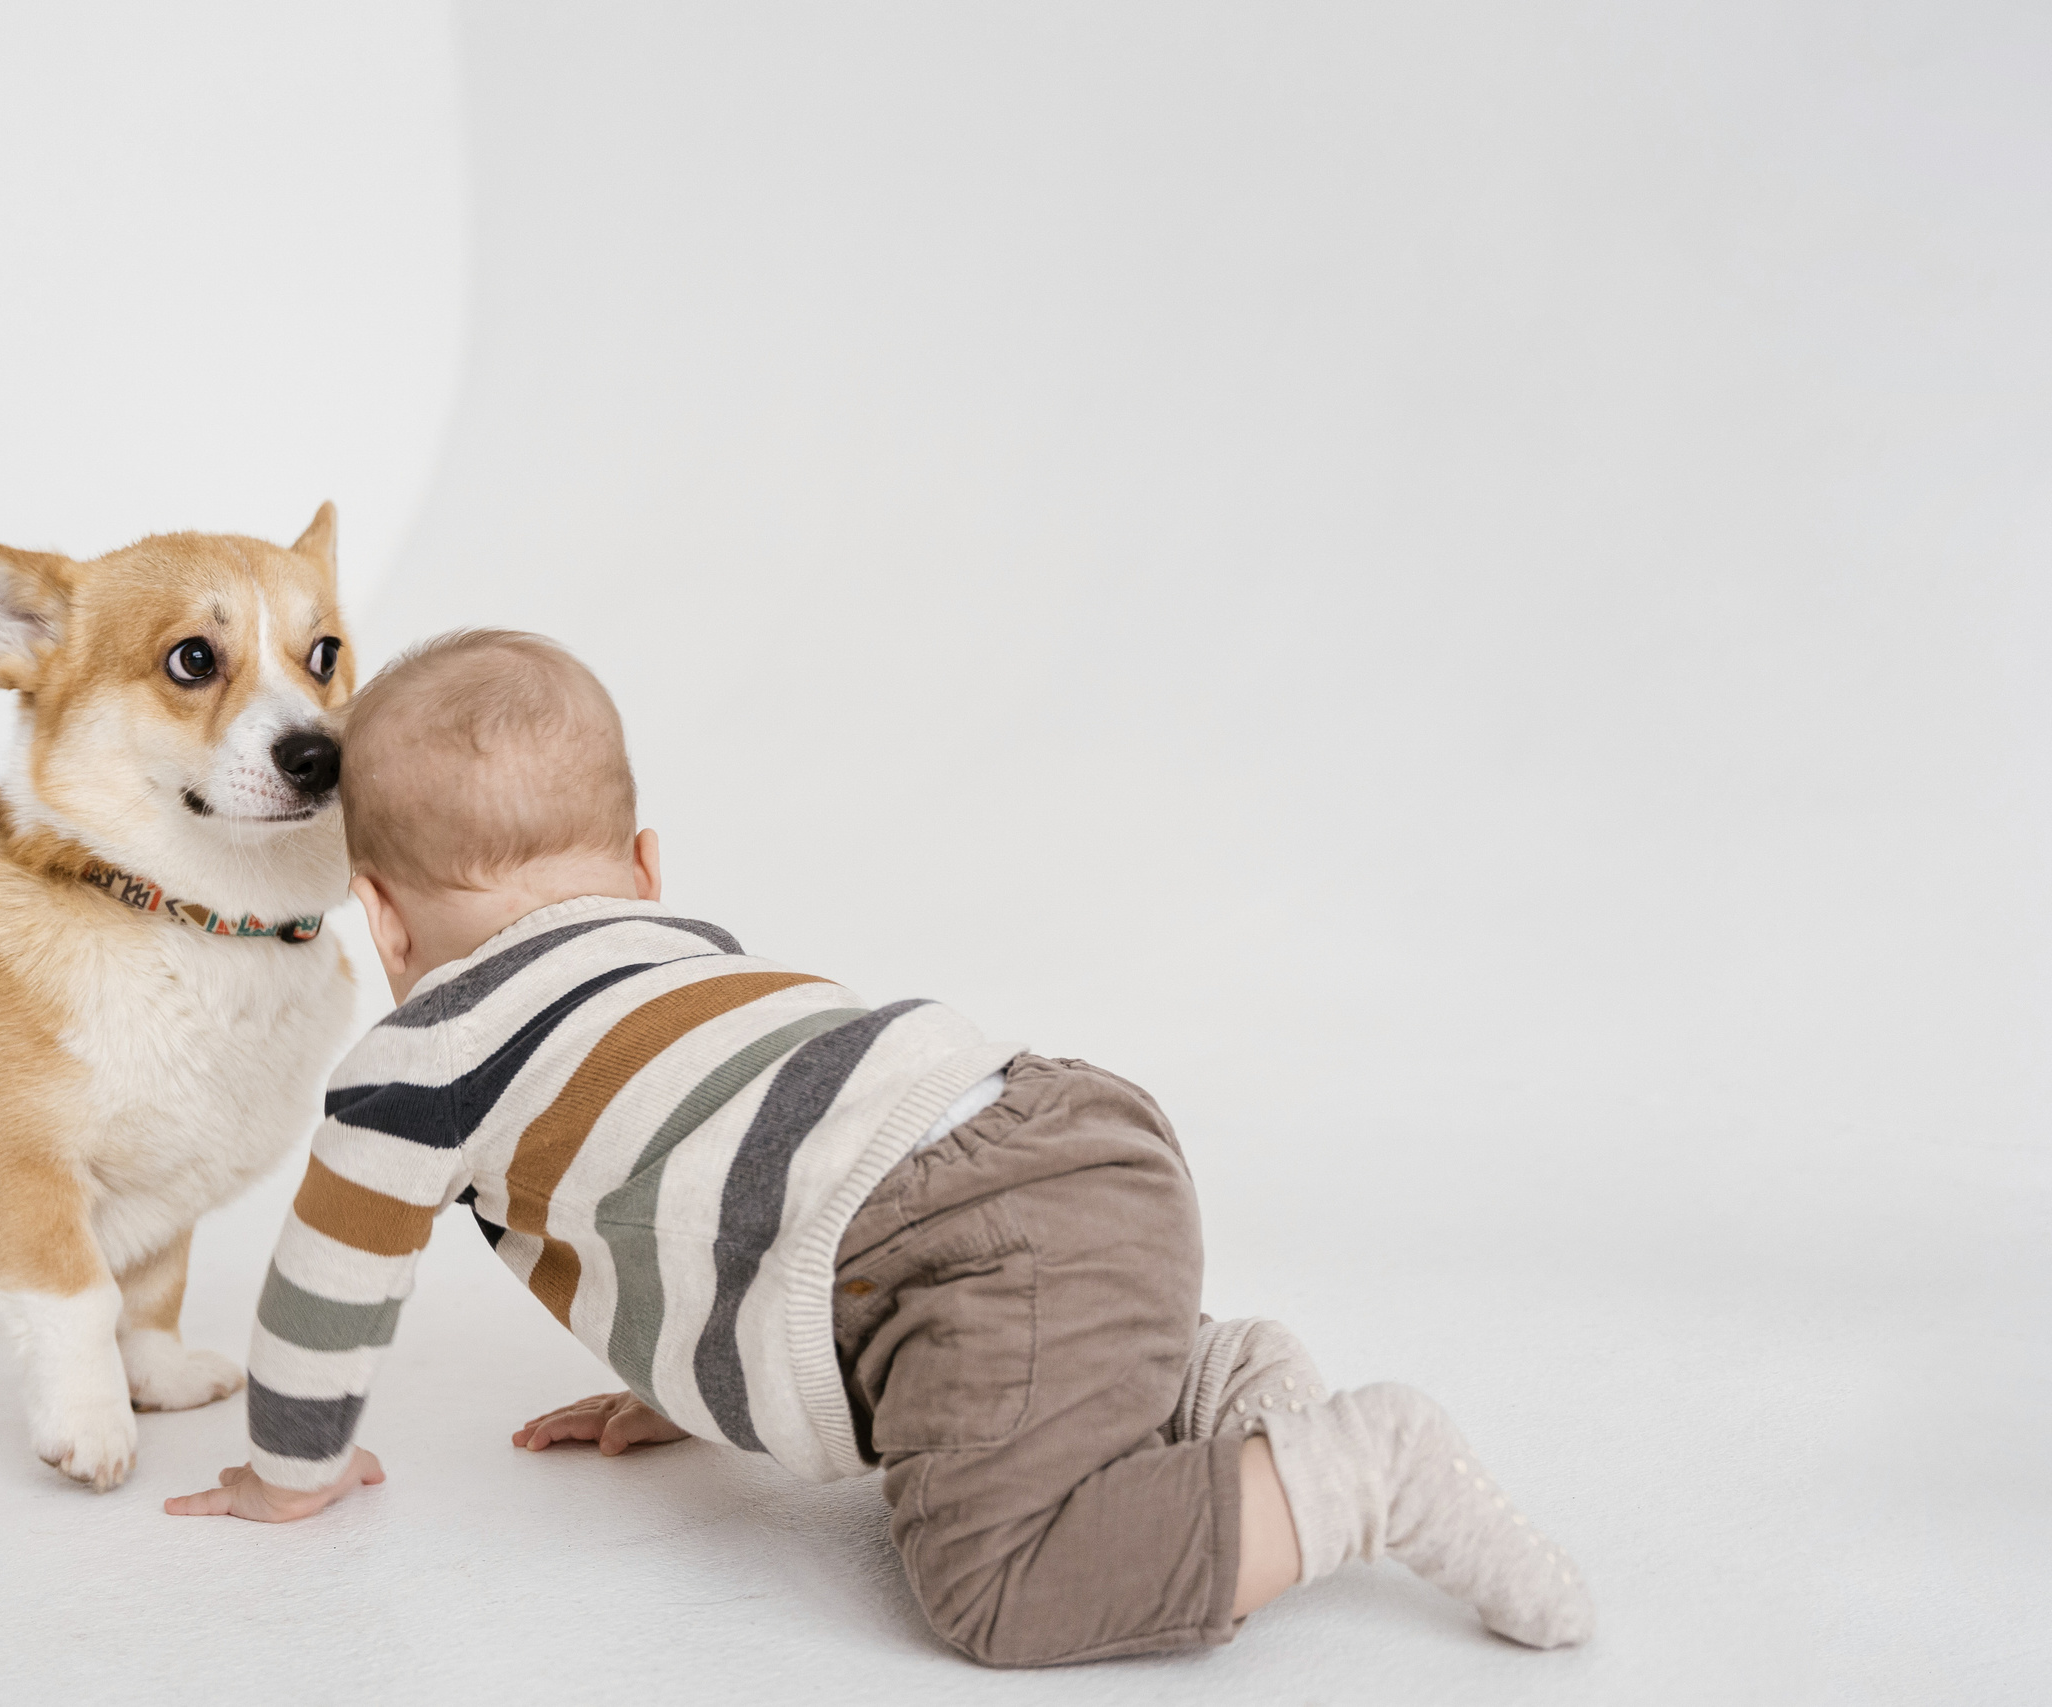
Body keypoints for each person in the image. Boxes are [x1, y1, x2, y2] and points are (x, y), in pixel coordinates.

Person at [166, 628, 1593, 1666]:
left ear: (383, 920)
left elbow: (327, 1285)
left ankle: (1364, 1470)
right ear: (649, 869)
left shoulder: (422, 1056)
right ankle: (1218, 1386)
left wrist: (292, 1469)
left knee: (1000, 1582)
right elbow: (725, 1188)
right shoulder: (687, 959)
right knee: (1007, 1397)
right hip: (1061, 1122)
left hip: (942, 1238)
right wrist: (679, 1377)